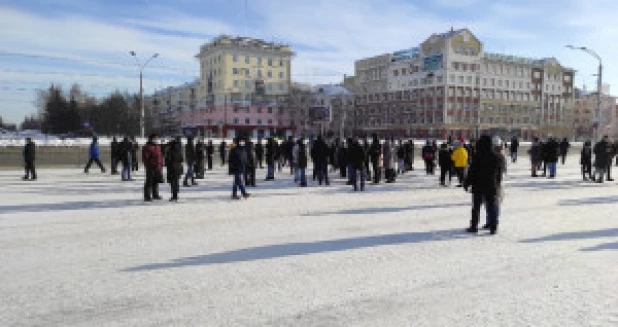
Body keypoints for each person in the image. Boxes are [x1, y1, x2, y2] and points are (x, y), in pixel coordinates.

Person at [463, 135, 503, 235]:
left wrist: (467, 183)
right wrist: (497, 183)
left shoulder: (477, 156)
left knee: (476, 207)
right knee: (491, 206)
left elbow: (472, 171)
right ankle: (493, 227)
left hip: (478, 185)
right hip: (491, 184)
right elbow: (499, 173)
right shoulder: (496, 157)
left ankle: (474, 226)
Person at [142, 134, 163, 202]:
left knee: (156, 181)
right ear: (151, 139)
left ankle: (155, 194)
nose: (157, 140)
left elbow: (160, 156)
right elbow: (146, 158)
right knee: (149, 182)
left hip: (158, 167)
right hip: (151, 167)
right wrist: (149, 165)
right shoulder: (147, 147)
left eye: (157, 138)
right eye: (155, 138)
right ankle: (147, 196)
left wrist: (161, 164)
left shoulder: (157, 146)